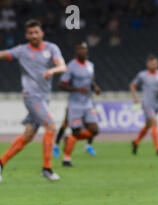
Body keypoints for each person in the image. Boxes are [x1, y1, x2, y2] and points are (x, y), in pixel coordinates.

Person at [0, 19, 66, 182]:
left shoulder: (52, 48)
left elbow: (62, 66)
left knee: (28, 135)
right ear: (26, 35)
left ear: (42, 33)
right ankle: (47, 168)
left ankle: (1, 162)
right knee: (51, 125)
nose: (34, 35)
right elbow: (3, 54)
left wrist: (53, 70)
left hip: (44, 98)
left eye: (36, 32)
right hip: (31, 96)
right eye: (30, 33)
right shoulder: (21, 51)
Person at [57, 42, 101, 167]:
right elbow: (61, 84)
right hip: (75, 104)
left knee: (94, 130)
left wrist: (96, 87)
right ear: (76, 53)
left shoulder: (90, 65)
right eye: (81, 50)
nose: (84, 52)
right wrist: (77, 89)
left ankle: (69, 139)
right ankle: (66, 160)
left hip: (87, 103)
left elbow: (91, 80)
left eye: (85, 50)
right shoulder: (70, 66)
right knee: (76, 131)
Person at [130, 55, 158, 156]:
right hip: (146, 103)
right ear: (147, 64)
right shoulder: (142, 75)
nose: (153, 64)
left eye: (155, 62)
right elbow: (133, 85)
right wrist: (135, 98)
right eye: (151, 63)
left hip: (156, 104)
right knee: (154, 123)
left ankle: (136, 142)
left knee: (148, 126)